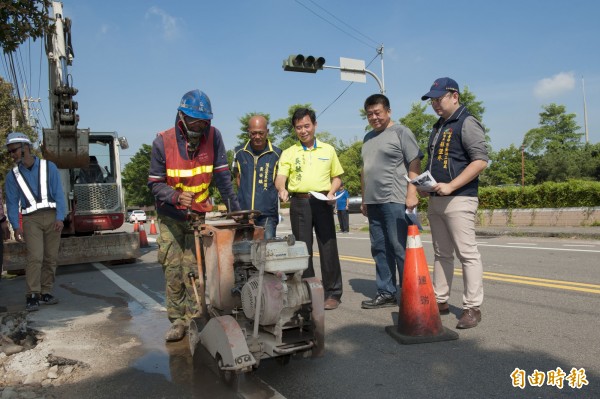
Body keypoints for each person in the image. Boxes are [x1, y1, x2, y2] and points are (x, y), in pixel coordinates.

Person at [148, 89, 241, 342]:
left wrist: (234, 207)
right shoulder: (162, 142)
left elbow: (223, 177)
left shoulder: (214, 137)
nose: (199, 126)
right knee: (173, 269)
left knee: (196, 270)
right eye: (194, 121)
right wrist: (175, 196)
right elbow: (155, 184)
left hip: (197, 215)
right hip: (170, 216)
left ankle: (194, 318)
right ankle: (177, 321)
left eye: (204, 121)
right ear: (182, 117)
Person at [420, 77, 489, 329]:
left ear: (454, 96)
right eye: (432, 100)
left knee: (467, 254)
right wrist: (426, 186)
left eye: (439, 99)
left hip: (460, 198)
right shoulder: (439, 126)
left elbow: (480, 161)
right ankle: (440, 301)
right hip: (437, 199)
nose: (435, 104)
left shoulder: (467, 122)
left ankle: (472, 307)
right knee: (441, 254)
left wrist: (451, 185)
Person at [275, 108, 344, 310]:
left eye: (306, 126)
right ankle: (307, 293)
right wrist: (282, 189)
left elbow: (337, 176)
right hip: (300, 202)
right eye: (299, 127)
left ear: (314, 125)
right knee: (303, 250)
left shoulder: (328, 150)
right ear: (295, 129)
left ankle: (332, 293)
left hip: (323, 201)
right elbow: (281, 177)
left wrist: (331, 192)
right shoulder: (289, 152)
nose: (303, 130)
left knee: (328, 247)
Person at [360, 94, 423, 309]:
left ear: (388, 111)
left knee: (399, 248)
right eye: (370, 114)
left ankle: (412, 294)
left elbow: (414, 162)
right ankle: (386, 291)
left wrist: (412, 193)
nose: (374, 117)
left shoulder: (401, 132)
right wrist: (364, 198)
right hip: (373, 201)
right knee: (379, 248)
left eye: (378, 112)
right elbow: (365, 170)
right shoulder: (368, 137)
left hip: (395, 199)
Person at [4, 132, 66, 312]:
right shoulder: (12, 176)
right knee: (35, 257)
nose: (12, 155)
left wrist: (60, 217)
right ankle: (32, 294)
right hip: (31, 220)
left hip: (53, 217)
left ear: (26, 148)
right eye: (10, 152)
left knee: (50, 257)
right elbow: (12, 202)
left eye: (14, 150)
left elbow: (59, 194)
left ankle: (46, 292)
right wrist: (16, 226)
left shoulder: (49, 167)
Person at [232, 115, 282, 239]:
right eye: (254, 133)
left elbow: (279, 181)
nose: (257, 137)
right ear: (248, 132)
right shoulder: (239, 153)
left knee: (266, 253)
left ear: (267, 132)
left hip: (267, 215)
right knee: (244, 254)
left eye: (261, 133)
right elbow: (238, 178)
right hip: (244, 215)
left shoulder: (277, 154)